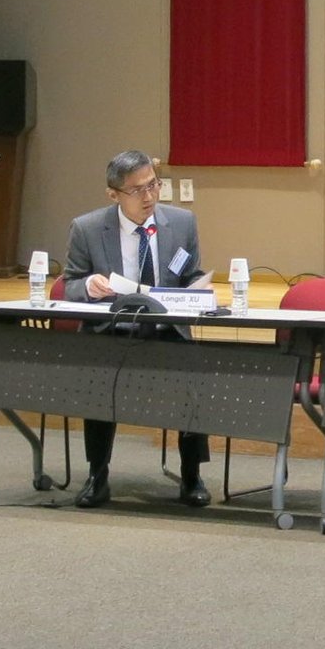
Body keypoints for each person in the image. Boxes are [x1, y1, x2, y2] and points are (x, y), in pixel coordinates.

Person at [59, 148, 209, 509]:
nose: (149, 196)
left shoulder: (182, 223)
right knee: (98, 375)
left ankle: (191, 475)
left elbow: (190, 276)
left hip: (166, 331)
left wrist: (199, 290)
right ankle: (97, 475)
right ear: (113, 195)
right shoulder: (87, 228)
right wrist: (89, 285)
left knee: (194, 373)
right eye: (137, 190)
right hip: (112, 332)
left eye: (153, 185)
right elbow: (69, 284)